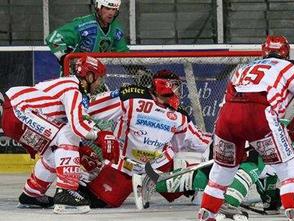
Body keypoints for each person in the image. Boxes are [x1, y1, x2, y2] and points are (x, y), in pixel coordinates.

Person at [198, 35, 294, 221]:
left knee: (221, 171)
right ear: (286, 51)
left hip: (227, 117)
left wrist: (237, 139)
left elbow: (226, 103)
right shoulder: (291, 67)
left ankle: (207, 214)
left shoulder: (244, 67)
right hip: (260, 115)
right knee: (289, 168)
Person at [153, 115, 294, 221]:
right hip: (249, 145)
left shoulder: (284, 123)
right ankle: (228, 204)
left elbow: (268, 176)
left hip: (229, 136)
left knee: (216, 176)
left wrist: (272, 200)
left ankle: (158, 182)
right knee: (252, 165)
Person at [77, 69, 212, 208]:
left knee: (195, 170)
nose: (178, 91)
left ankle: (193, 187)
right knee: (98, 201)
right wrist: (98, 133)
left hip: (159, 164)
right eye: (175, 85)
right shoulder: (131, 96)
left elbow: (198, 141)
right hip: (125, 165)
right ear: (164, 86)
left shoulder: (179, 115)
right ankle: (78, 176)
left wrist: (221, 144)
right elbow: (85, 109)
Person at [0, 55, 116, 214]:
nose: (100, 84)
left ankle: (32, 194)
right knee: (67, 134)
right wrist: (100, 136)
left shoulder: (69, 85)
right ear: (89, 76)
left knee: (51, 154)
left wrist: (82, 148)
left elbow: (74, 125)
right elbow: (76, 126)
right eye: (99, 79)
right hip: (18, 109)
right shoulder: (73, 89)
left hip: (14, 113)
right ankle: (65, 192)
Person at [46, 0, 129, 68]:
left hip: (97, 77)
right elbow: (53, 38)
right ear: (98, 8)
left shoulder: (116, 28)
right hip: (75, 76)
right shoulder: (84, 25)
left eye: (114, 9)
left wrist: (136, 69)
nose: (111, 13)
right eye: (107, 8)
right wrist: (64, 58)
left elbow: (123, 53)